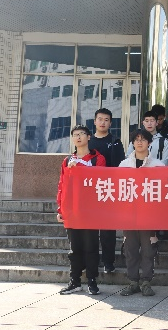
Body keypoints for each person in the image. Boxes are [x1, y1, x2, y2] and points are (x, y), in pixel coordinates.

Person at [57, 125, 106, 295]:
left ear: (89, 137)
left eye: (82, 134)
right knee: (75, 247)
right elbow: (62, 186)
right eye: (75, 135)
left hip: (91, 209)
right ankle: (75, 281)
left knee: (91, 246)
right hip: (72, 209)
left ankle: (92, 281)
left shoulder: (97, 158)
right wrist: (60, 209)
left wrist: (81, 167)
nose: (78, 137)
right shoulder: (67, 161)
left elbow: (100, 179)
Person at [118, 129, 164, 297]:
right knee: (130, 249)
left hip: (149, 216)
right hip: (129, 215)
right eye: (136, 139)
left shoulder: (158, 165)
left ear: (149, 143)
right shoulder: (124, 165)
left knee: (148, 249)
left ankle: (146, 282)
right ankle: (133, 282)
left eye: (143, 139)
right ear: (132, 143)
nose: (139, 142)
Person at [88, 108, 125, 275]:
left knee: (108, 230)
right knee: (90, 230)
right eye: (100, 119)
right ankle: (91, 261)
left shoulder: (115, 142)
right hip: (89, 191)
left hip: (109, 190)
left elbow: (121, 167)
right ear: (94, 121)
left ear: (110, 123)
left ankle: (108, 262)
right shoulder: (87, 141)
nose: (103, 122)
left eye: (106, 120)